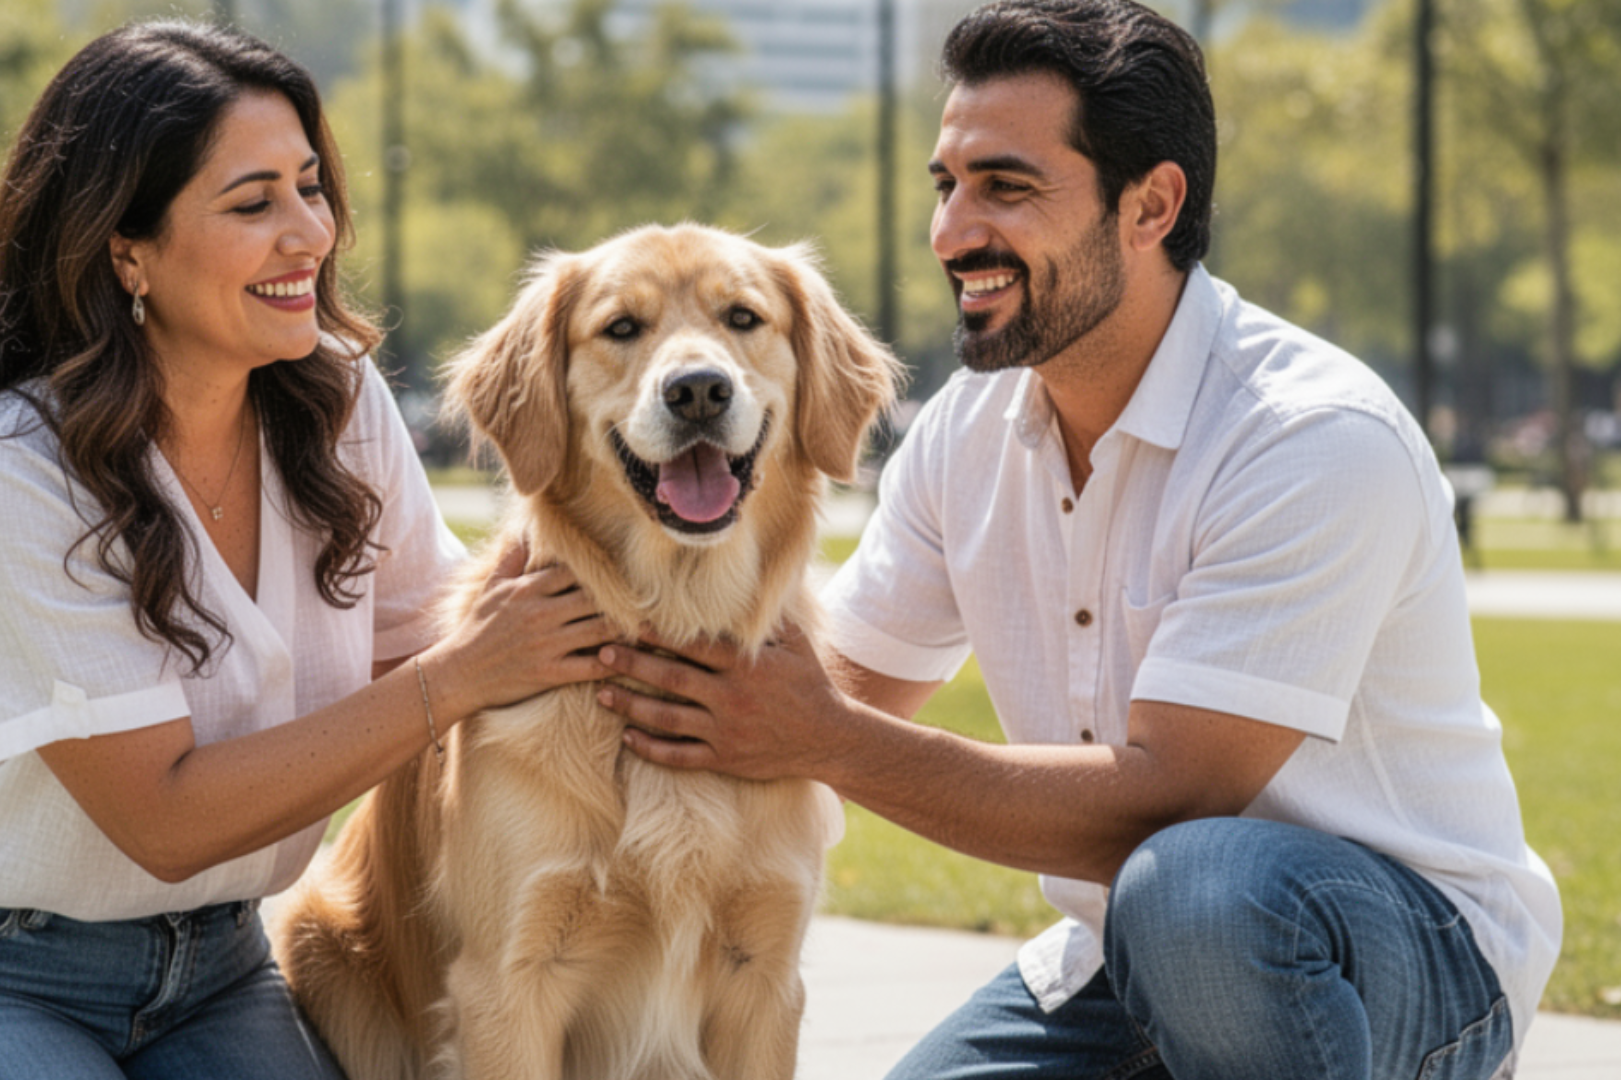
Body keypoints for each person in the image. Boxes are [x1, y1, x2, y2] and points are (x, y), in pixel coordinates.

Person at [597, 1, 1562, 1077]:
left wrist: (817, 736)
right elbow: (822, 689)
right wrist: (532, 661)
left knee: (1193, 890)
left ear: (1150, 205)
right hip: (1125, 958)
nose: (954, 232)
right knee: (1171, 915)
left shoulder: (1308, 438)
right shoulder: (969, 431)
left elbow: (1172, 800)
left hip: (1405, 960)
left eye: (1005, 187)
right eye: (947, 186)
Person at [0, 20, 614, 1080]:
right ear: (124, 248)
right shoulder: (9, 471)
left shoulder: (338, 400)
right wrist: (463, 676)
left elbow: (436, 635)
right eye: (253, 202)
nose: (310, 235)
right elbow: (168, 820)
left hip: (215, 967)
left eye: (311, 187)